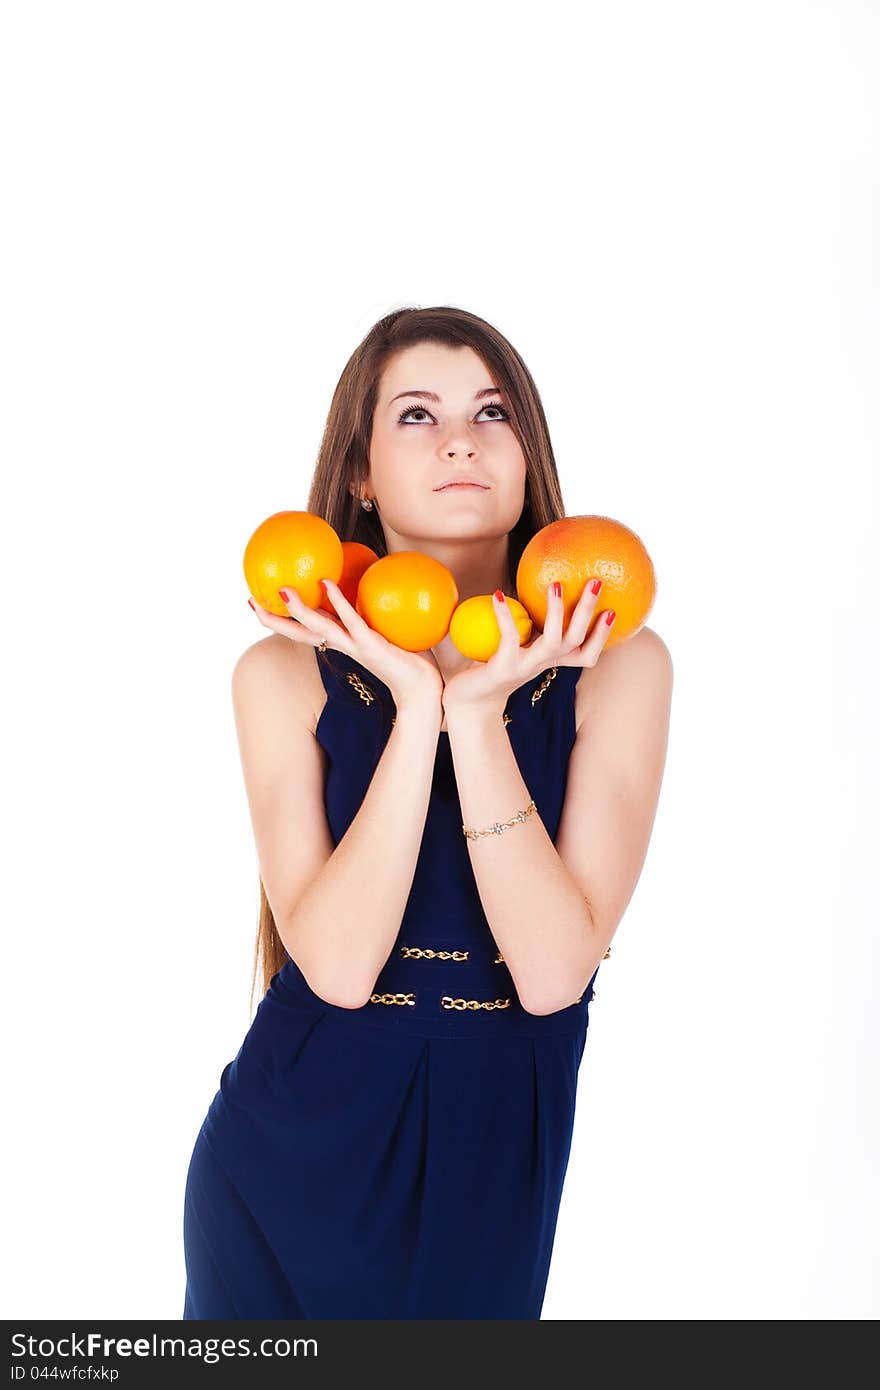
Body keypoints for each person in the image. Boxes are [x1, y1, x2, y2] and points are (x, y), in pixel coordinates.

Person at [182, 305, 673, 1319]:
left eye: (492, 411)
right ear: (359, 471)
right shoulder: (281, 672)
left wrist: (479, 712)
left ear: (526, 454)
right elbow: (338, 967)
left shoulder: (619, 662)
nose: (460, 437)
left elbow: (550, 975)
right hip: (285, 1159)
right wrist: (414, 705)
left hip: (492, 1149)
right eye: (416, 414)